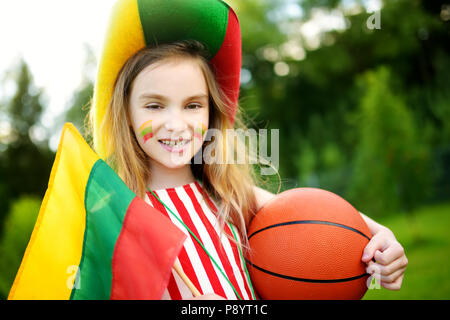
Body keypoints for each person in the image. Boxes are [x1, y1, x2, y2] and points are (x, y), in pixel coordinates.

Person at [89, 0, 407, 300]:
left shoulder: (230, 194)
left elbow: (331, 223)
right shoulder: (117, 217)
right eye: (155, 105)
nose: (176, 124)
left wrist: (384, 244)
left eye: (193, 105)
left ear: (211, 112)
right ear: (126, 114)